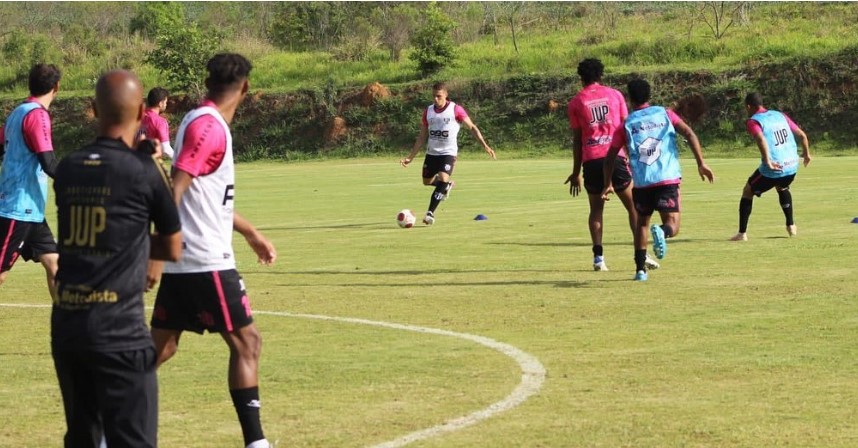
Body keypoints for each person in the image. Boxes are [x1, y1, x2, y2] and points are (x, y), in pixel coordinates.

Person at [149, 53, 277, 448]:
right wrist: (156, 252)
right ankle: (256, 443)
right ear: (246, 87)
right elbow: (178, 186)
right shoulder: (209, 126)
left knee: (160, 350)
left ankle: (102, 427)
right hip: (205, 260)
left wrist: (250, 232)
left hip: (188, 258)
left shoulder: (198, 119)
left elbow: (207, 197)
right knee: (247, 343)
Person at [51, 69, 182, 448]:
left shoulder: (69, 168)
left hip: (69, 326)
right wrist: (135, 247)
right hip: (119, 331)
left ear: (92, 109)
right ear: (143, 111)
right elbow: (173, 248)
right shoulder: (144, 170)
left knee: (83, 437)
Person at [601, 78, 715, 281]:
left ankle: (640, 271)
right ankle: (662, 232)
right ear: (649, 95)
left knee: (642, 224)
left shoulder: (626, 124)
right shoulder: (665, 113)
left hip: (642, 182)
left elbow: (610, 156)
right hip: (667, 178)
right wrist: (701, 163)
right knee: (673, 225)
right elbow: (689, 133)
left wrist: (608, 183)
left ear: (630, 99)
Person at [565, 58, 658, 272]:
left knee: (596, 210)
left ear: (582, 78)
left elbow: (577, 139)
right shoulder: (615, 95)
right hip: (615, 157)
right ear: (601, 75)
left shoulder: (576, 102)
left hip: (591, 160)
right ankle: (642, 253)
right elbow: (628, 129)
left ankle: (598, 259)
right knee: (634, 208)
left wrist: (576, 172)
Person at [0, 63, 62, 298]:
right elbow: (49, 163)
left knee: (55, 264)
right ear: (56, 87)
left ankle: (65, 325)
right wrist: (79, 179)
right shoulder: (37, 115)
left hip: (31, 210)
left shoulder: (18, 112)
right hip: (16, 208)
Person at [400, 81, 496, 226]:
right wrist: (410, 157)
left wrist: (485, 145)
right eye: (433, 96)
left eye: (438, 96)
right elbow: (421, 137)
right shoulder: (428, 111)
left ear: (446, 95)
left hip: (448, 153)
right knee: (426, 181)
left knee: (443, 178)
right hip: (432, 153)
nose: (435, 99)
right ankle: (447, 186)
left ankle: (430, 213)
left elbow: (472, 127)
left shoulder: (456, 110)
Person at [730, 92, 811, 241]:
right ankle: (791, 226)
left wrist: (767, 160)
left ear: (748, 106)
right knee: (782, 187)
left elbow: (760, 138)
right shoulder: (780, 115)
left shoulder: (754, 121)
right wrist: (806, 154)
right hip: (792, 165)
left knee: (747, 191)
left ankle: (742, 233)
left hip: (774, 167)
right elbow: (802, 135)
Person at [139, 86, 174, 159]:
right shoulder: (160, 122)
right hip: (150, 163)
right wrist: (178, 159)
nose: (166, 105)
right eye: (165, 102)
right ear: (160, 103)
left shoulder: (137, 117)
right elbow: (166, 148)